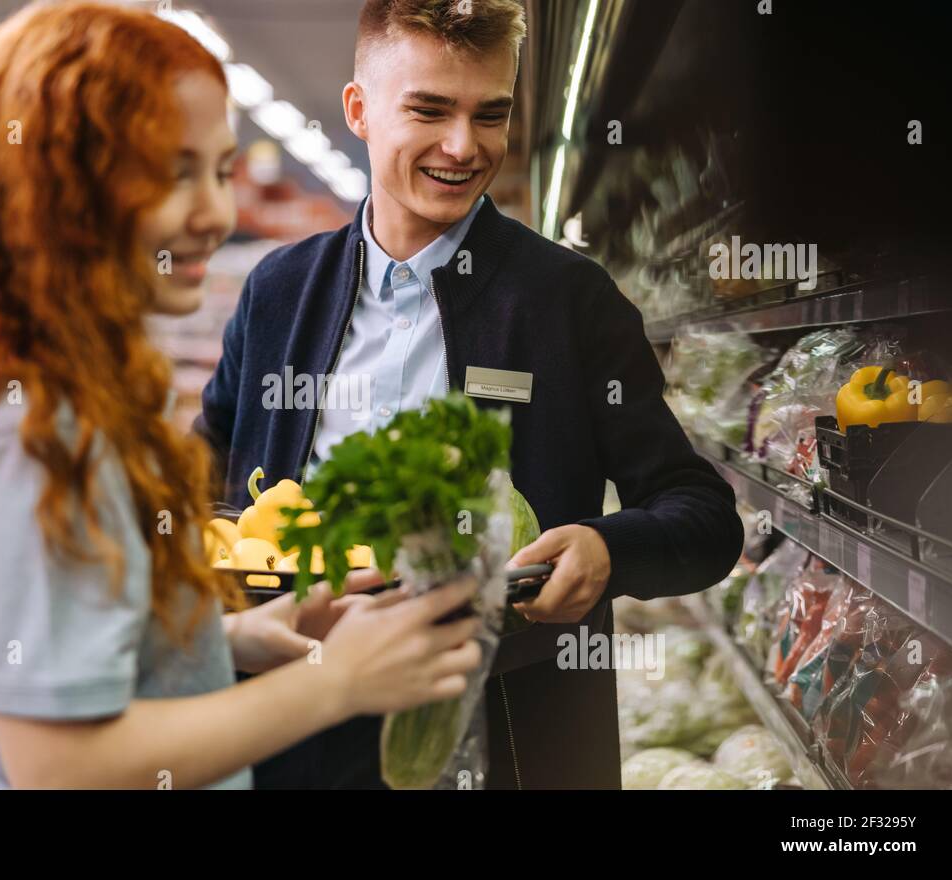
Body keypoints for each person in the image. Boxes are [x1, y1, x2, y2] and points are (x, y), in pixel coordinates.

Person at [0, 1, 481, 790]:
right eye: (171, 173)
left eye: (220, 170)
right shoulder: (30, 435)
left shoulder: (29, 397)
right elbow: (62, 763)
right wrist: (336, 682)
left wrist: (216, 645)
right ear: (66, 187)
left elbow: (58, 680)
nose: (217, 214)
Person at [195, 0, 744, 789]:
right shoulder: (280, 291)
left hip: (511, 730)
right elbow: (205, 480)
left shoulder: (568, 300)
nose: (463, 147)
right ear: (360, 110)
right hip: (305, 718)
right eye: (429, 110)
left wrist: (607, 549)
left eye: (491, 115)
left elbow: (701, 514)